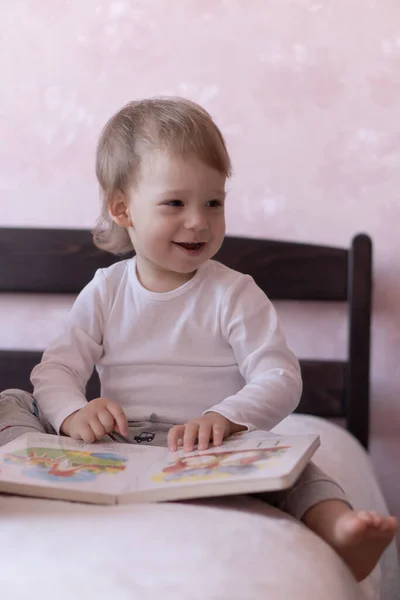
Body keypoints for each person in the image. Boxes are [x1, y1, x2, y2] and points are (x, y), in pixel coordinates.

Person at [0, 97, 396, 581]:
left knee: (294, 462)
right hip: (114, 447)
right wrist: (72, 413)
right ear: (123, 208)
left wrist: (225, 417)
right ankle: (18, 475)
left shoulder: (234, 293)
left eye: (213, 202)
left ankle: (340, 528)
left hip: (210, 451)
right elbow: (57, 369)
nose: (199, 221)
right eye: (175, 203)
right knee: (14, 401)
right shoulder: (106, 290)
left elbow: (279, 375)